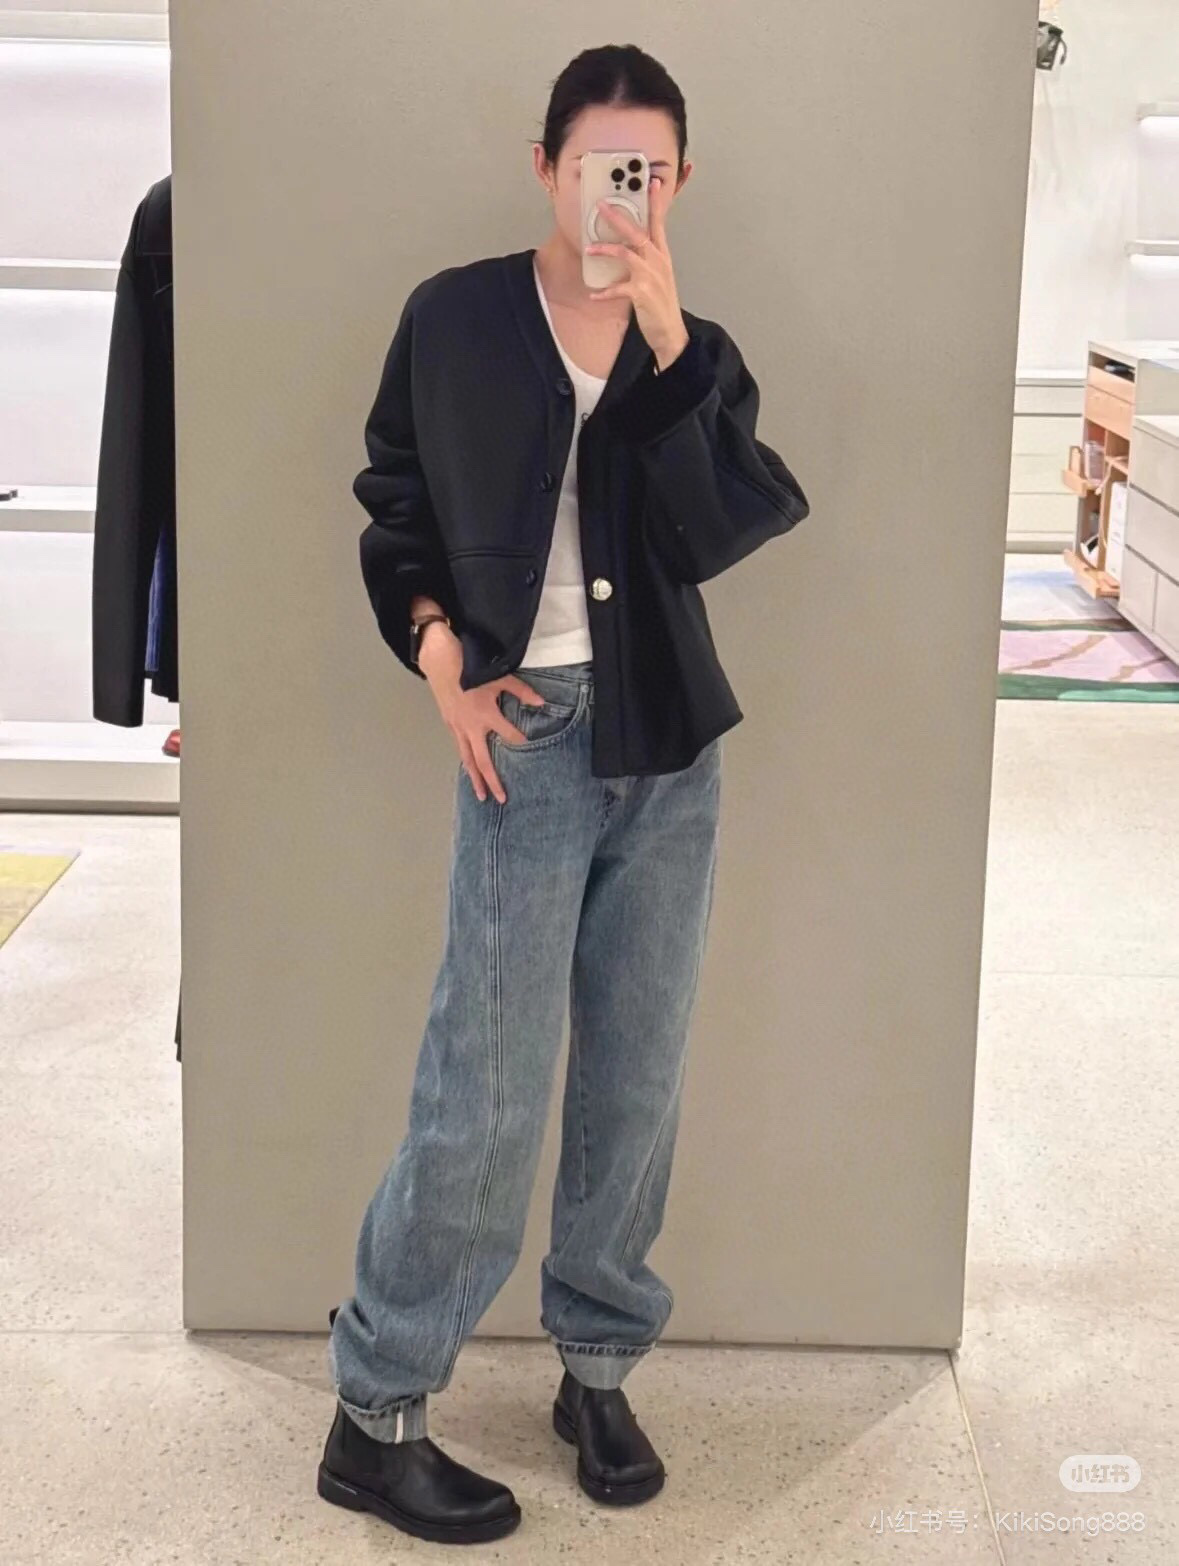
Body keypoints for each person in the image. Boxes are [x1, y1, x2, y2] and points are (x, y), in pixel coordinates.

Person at [318, 43, 809, 1546]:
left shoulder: (695, 350)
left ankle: (596, 1369)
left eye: (648, 171)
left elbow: (721, 532)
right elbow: (395, 498)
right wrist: (439, 658)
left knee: (636, 1076)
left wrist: (668, 350)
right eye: (599, 164)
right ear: (547, 166)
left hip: (669, 744)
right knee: (486, 1084)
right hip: (522, 738)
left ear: (678, 183)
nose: (621, 192)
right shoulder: (456, 317)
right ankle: (376, 1410)